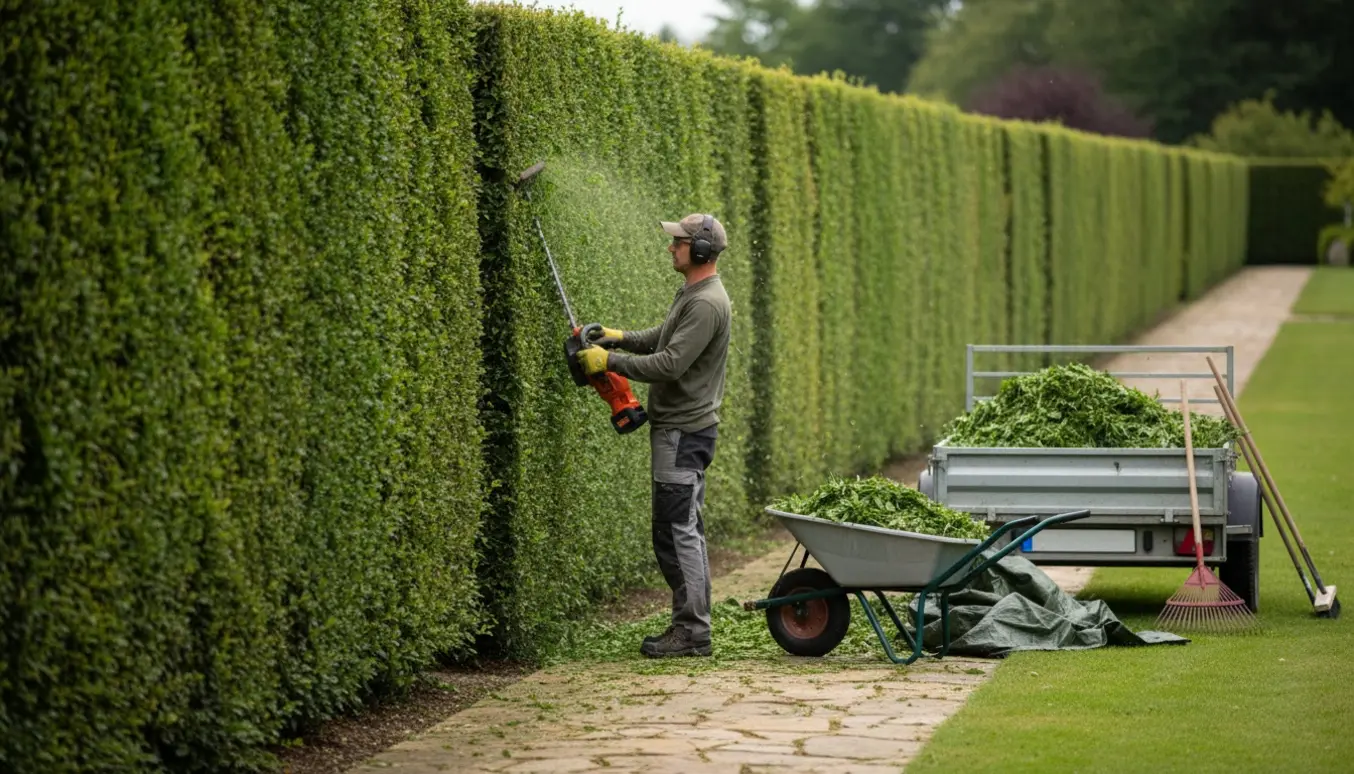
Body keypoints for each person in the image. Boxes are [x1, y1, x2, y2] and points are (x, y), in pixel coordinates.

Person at [574, 213, 732, 658]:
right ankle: (692, 624)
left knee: (675, 529)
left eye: (678, 242)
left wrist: (609, 363)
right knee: (682, 527)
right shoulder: (695, 294)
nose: (671, 248)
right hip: (682, 430)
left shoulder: (706, 303)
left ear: (699, 250)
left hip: (683, 433)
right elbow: (662, 340)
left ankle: (693, 632)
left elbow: (670, 364)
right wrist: (618, 338)